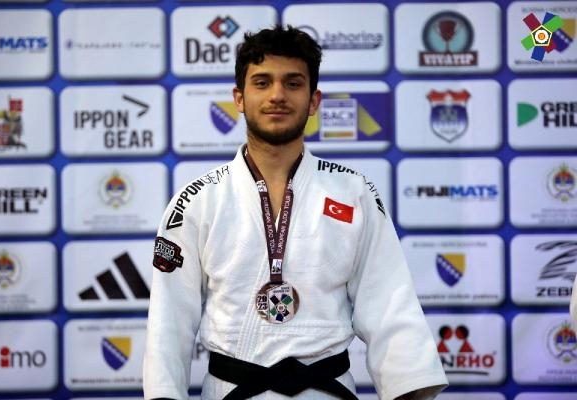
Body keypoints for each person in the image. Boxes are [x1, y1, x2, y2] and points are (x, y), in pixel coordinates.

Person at [143, 24, 448, 400]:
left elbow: (390, 304)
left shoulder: (353, 193)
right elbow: (169, 321)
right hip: (232, 391)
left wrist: (408, 391)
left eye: (293, 83)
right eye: (262, 83)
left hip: (327, 391)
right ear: (239, 98)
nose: (277, 95)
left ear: (314, 100)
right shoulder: (197, 200)